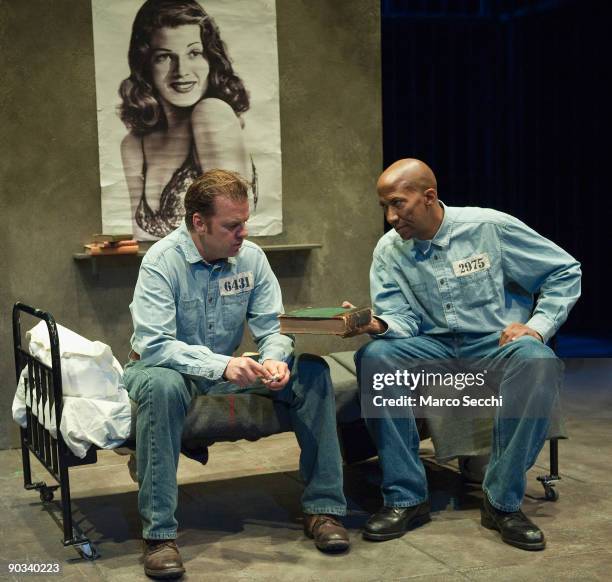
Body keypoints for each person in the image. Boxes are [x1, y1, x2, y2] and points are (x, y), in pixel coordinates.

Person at [123, 169, 349, 579]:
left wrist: (277, 358)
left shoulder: (251, 258)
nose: (242, 233)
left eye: (244, 222)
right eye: (232, 225)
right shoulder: (161, 262)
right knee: (161, 384)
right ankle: (159, 535)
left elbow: (274, 327)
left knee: (311, 371)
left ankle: (324, 510)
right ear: (198, 223)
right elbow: (156, 344)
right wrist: (223, 364)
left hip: (221, 368)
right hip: (160, 366)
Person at [349, 158, 581, 551]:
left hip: (495, 343)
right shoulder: (389, 251)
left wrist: (538, 326)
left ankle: (502, 502)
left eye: (398, 204)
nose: (391, 217)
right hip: (433, 346)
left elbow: (563, 271)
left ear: (429, 197)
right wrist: (379, 326)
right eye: (384, 207)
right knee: (376, 357)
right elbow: (400, 318)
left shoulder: (488, 227)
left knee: (539, 361)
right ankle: (406, 498)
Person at [119, 0, 252, 240]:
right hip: (164, 275)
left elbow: (230, 234)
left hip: (214, 274)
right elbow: (140, 241)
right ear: (145, 65)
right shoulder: (134, 144)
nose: (181, 71)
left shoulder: (211, 114)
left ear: (210, 59)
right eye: (164, 57)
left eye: (194, 53)